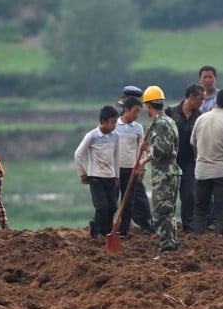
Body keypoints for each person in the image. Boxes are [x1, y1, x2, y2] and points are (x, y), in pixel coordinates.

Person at [190, 88, 223, 237]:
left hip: (201, 172)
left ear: (216, 100)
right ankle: (220, 240)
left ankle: (198, 238)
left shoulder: (201, 119)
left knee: (200, 209)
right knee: (222, 210)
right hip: (222, 172)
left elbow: (193, 142)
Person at [143, 86, 181, 252]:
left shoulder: (160, 123)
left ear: (148, 105)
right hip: (171, 172)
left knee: (162, 212)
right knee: (168, 212)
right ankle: (171, 243)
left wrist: (146, 149)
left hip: (164, 174)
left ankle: (167, 246)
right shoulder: (169, 121)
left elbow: (161, 150)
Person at [74, 105, 120, 239]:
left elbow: (116, 157)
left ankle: (105, 230)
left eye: (116, 122)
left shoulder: (115, 136)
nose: (115, 125)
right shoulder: (92, 136)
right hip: (95, 177)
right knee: (102, 206)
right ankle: (98, 234)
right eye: (112, 122)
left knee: (112, 206)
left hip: (110, 176)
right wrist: (83, 173)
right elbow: (78, 154)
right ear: (104, 121)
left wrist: (117, 176)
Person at [165, 83, 204, 231]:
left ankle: (188, 226)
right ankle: (167, 226)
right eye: (200, 99)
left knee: (188, 194)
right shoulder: (171, 112)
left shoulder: (200, 116)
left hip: (189, 161)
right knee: (169, 195)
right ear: (191, 97)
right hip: (171, 160)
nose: (202, 102)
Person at [115, 97, 153, 236]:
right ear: (126, 110)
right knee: (113, 201)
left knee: (128, 201)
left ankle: (124, 231)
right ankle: (106, 228)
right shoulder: (115, 126)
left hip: (131, 169)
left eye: (139, 112)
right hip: (115, 169)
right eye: (135, 111)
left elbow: (141, 148)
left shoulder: (138, 128)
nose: (137, 115)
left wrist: (142, 168)